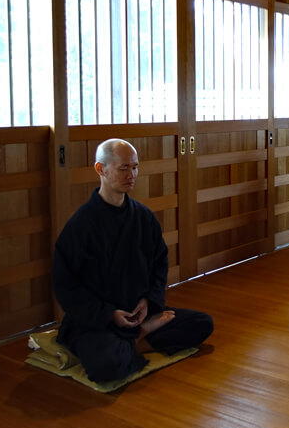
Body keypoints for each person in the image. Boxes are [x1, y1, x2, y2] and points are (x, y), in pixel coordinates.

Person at [53, 139, 214, 383]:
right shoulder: (81, 225)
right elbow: (65, 285)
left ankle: (132, 338)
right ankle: (141, 336)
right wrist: (109, 314)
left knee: (202, 323)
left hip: (138, 311)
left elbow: (160, 264)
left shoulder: (143, 217)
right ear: (101, 169)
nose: (132, 175)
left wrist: (149, 301)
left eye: (135, 167)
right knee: (106, 367)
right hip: (99, 320)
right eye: (124, 168)